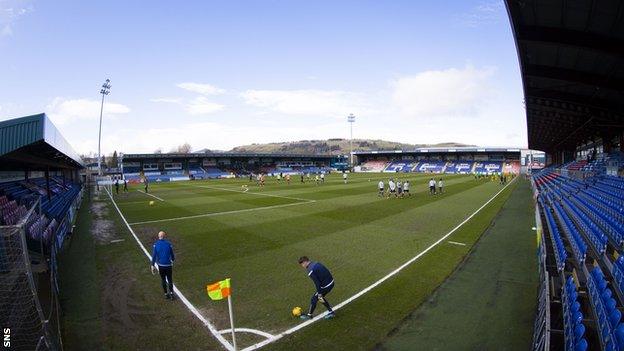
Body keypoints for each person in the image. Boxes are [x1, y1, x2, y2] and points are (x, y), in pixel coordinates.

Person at [151, 231, 175, 300]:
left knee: (163, 279)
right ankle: (171, 294)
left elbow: (154, 256)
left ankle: (166, 294)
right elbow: (172, 255)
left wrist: (152, 265)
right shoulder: (168, 244)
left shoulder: (156, 245)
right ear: (164, 236)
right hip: (168, 265)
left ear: (158, 236)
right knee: (170, 279)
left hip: (161, 266)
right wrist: (172, 260)